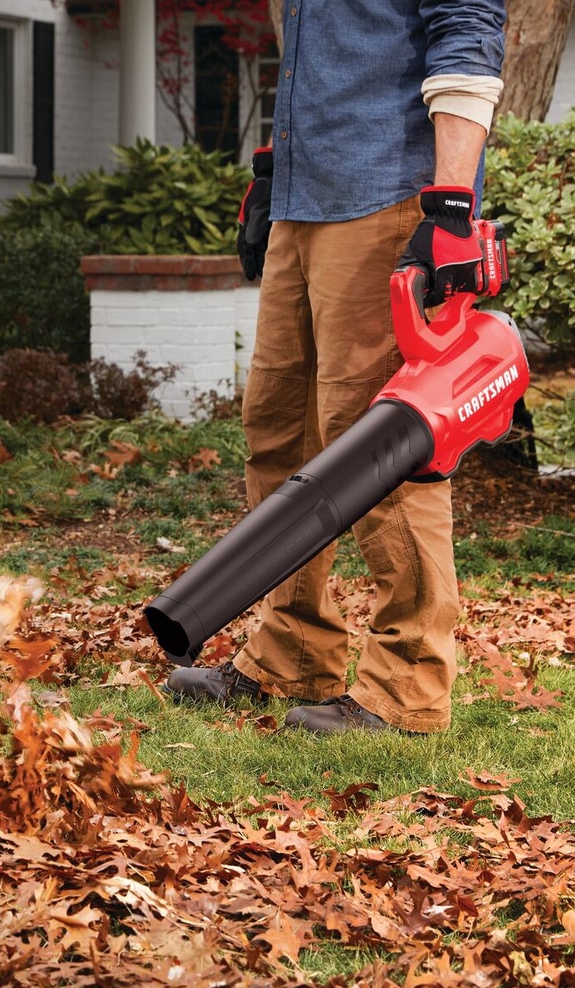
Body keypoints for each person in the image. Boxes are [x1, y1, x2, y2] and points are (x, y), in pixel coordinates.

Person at [165, 1, 508, 735]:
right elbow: (320, 61)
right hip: (305, 202)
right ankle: (291, 651)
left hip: (386, 196)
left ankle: (409, 686)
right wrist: (272, 173)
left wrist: (449, 208)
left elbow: (468, 31)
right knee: (278, 433)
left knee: (381, 448)